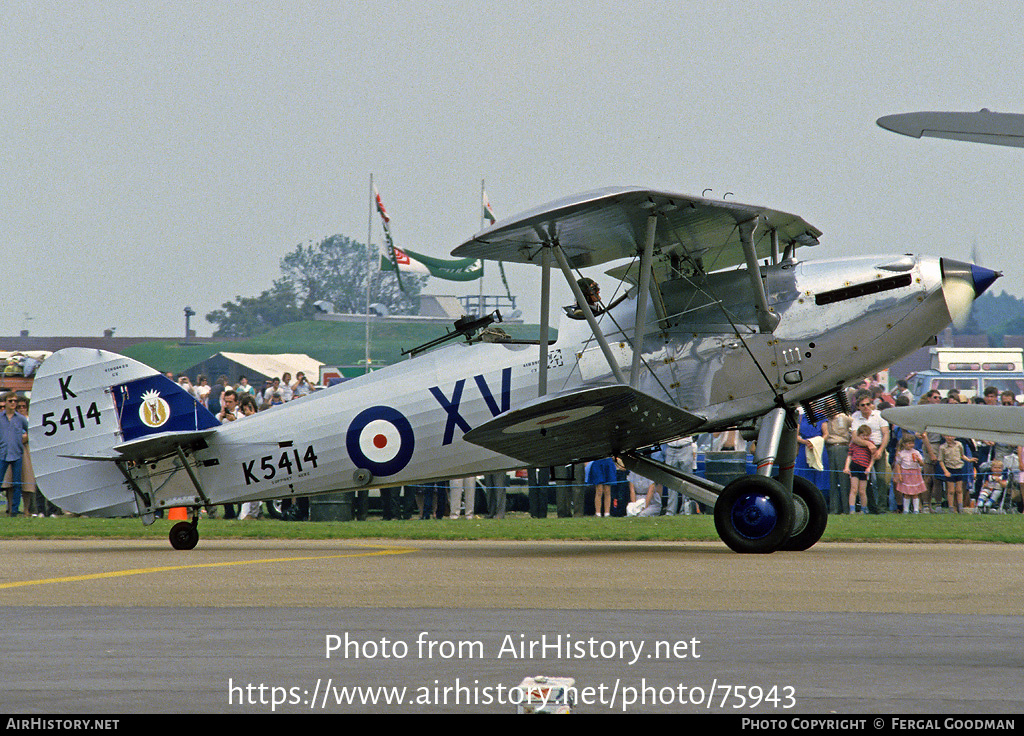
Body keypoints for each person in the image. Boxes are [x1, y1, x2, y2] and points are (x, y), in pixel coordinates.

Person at [851, 392, 890, 513]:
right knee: (865, 481)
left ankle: (882, 507)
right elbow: (854, 437)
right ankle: (872, 507)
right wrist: (868, 444)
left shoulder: (879, 415)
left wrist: (880, 450)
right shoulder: (856, 416)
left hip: (879, 447)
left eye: (868, 404)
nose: (866, 407)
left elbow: (886, 434)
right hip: (862, 449)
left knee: (881, 478)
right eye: (863, 405)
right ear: (858, 406)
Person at [0, 392, 29, 517]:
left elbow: (29, 430)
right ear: (5, 402)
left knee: (17, 484)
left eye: (15, 401)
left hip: (17, 454)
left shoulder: (21, 419)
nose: (13, 403)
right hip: (2, 454)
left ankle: (15, 510)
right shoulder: (0, 418)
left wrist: (25, 437)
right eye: (10, 401)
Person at [844, 424, 875, 514]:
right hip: (854, 466)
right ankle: (852, 509)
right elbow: (849, 456)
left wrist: (869, 467)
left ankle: (864, 509)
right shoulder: (854, 444)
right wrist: (846, 467)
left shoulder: (871, 444)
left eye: (867, 435)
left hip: (864, 468)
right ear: (858, 435)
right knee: (854, 489)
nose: (865, 438)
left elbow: (873, 458)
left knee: (862, 491)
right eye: (863, 435)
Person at [893, 434, 927, 514]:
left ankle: (916, 509)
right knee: (906, 493)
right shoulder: (901, 453)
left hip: (915, 473)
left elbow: (922, 464)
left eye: (912, 443)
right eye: (908, 443)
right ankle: (906, 509)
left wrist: (919, 460)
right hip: (905, 473)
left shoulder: (916, 452)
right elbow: (898, 464)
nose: (910, 445)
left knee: (915, 493)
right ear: (904, 444)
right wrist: (899, 474)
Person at [938, 435, 970, 514]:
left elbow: (962, 455)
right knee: (951, 490)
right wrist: (945, 471)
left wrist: (969, 460)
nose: (949, 438)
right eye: (947, 436)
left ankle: (960, 507)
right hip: (949, 469)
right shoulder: (942, 447)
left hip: (958, 468)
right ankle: (951, 508)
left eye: (951, 436)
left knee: (959, 490)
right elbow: (941, 460)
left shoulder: (959, 444)